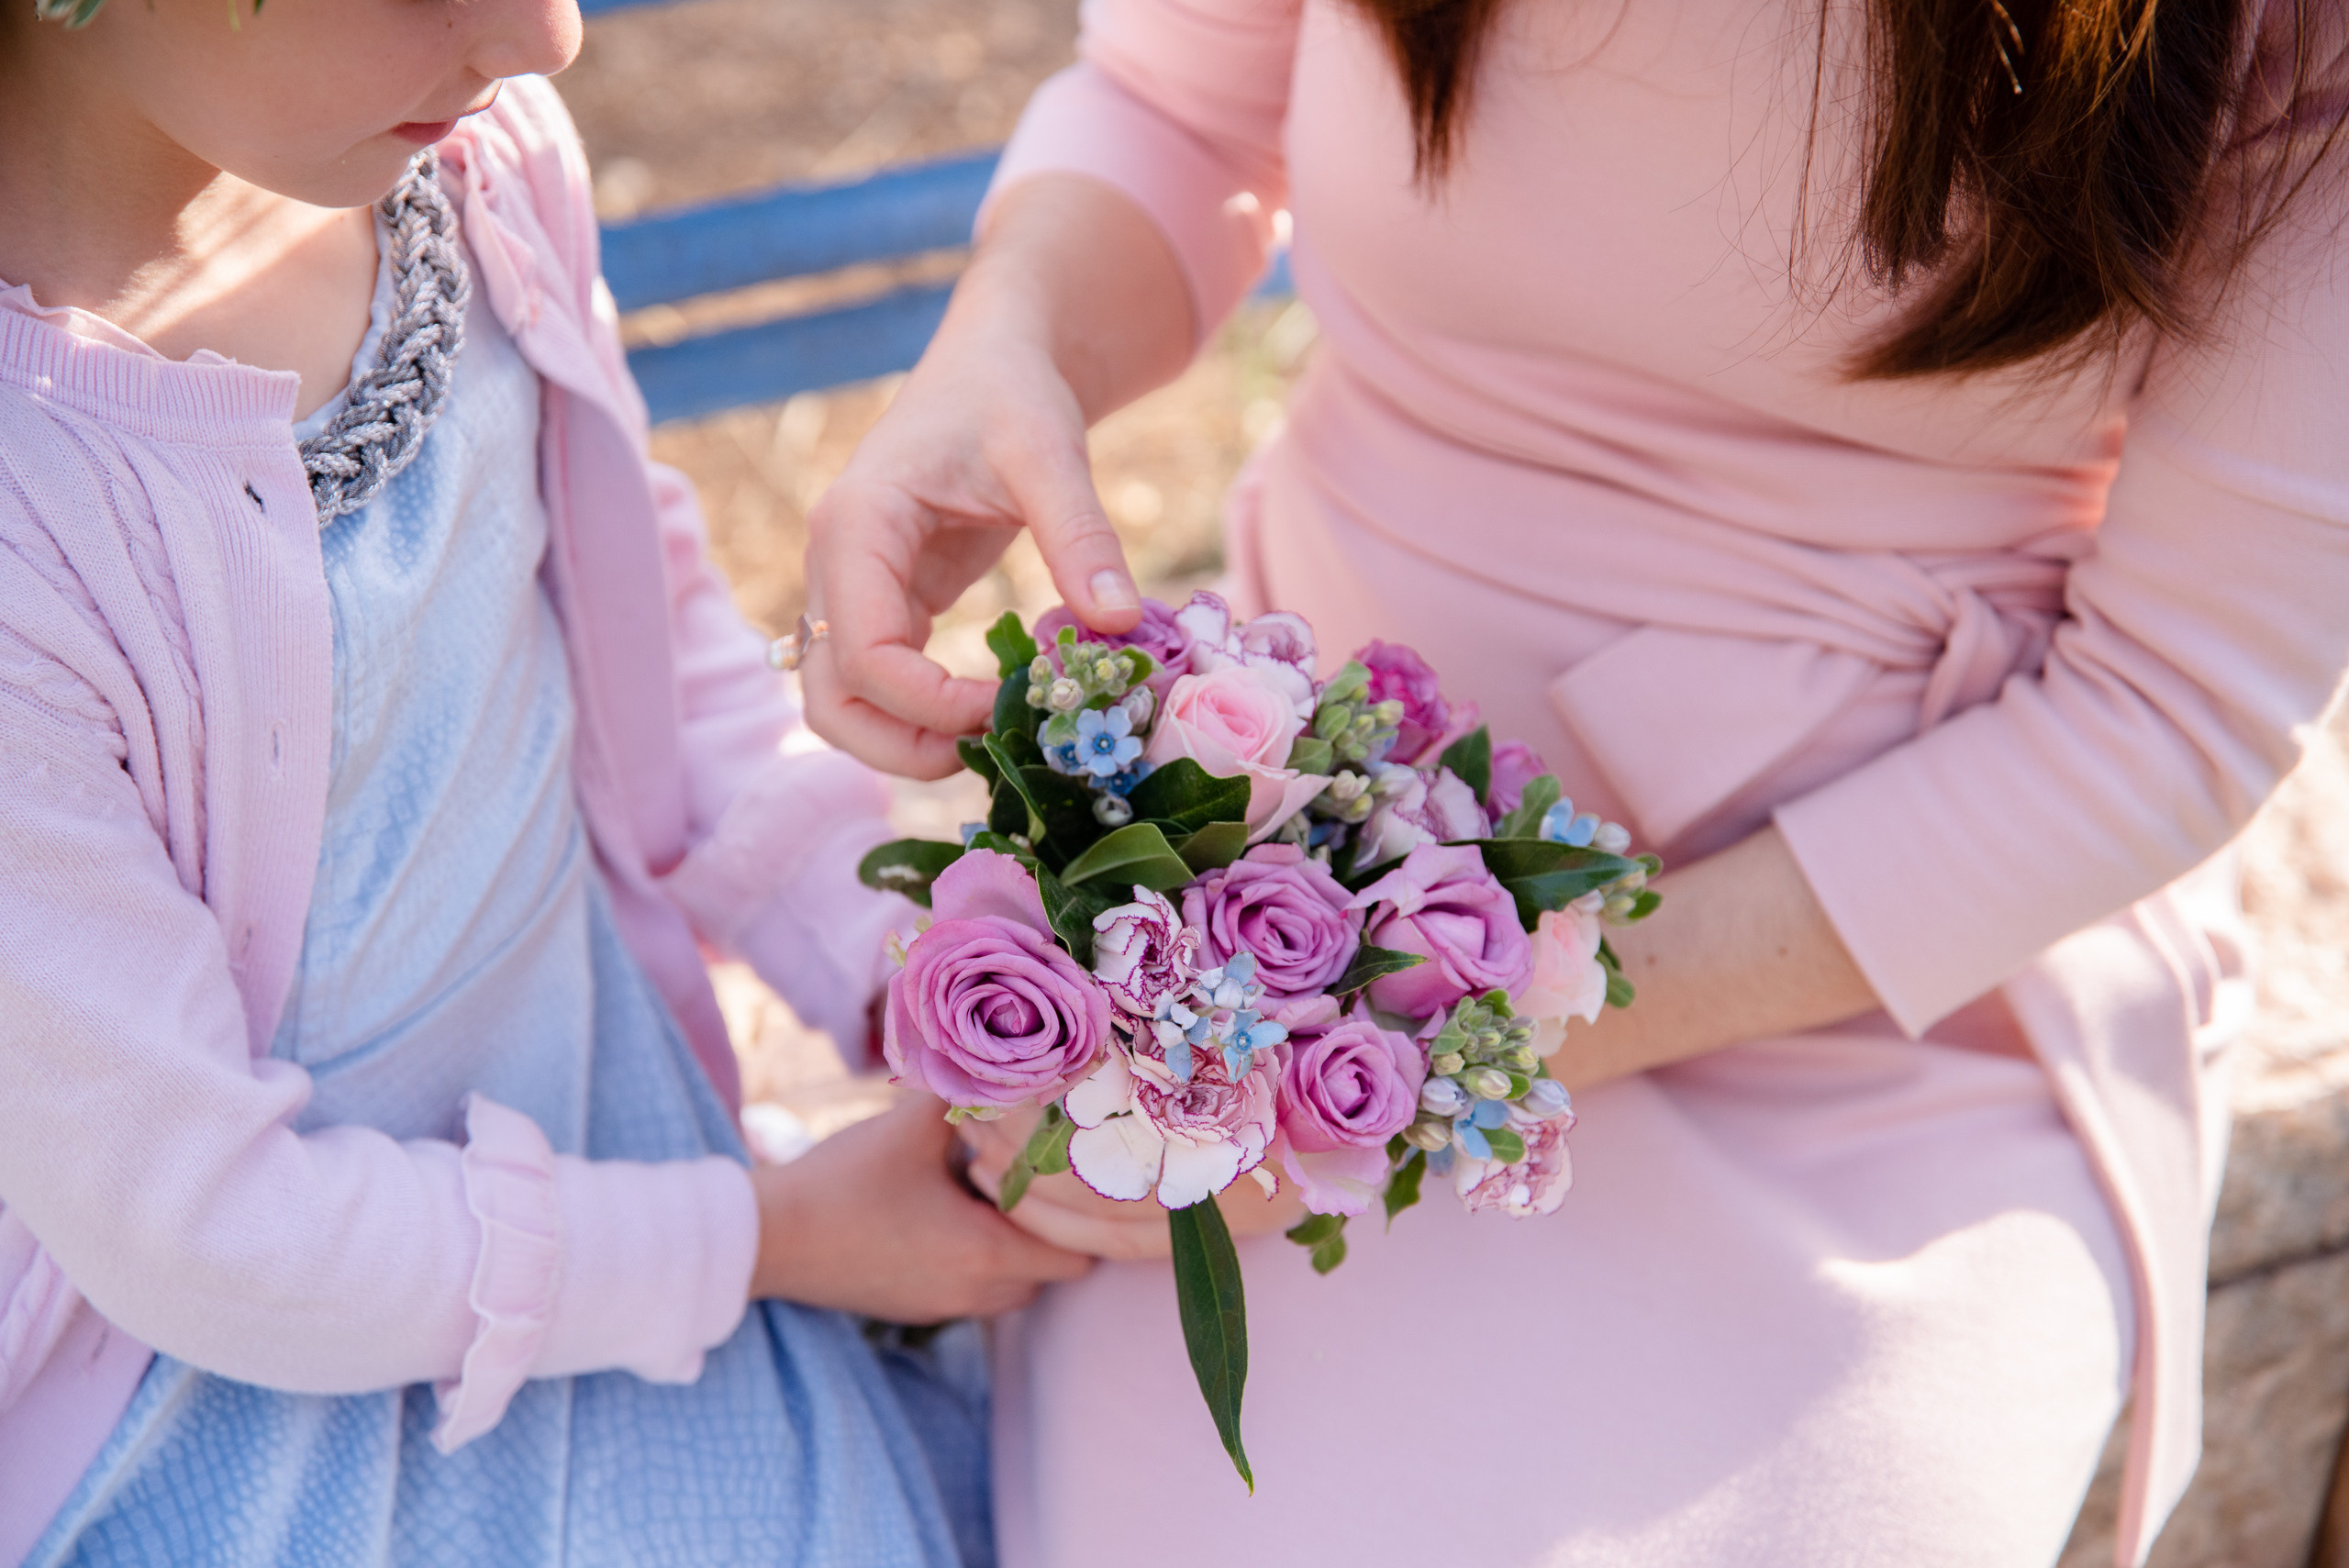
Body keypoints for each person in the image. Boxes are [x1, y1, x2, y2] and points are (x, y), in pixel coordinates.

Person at [798, 0, 2349, 1559]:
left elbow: (2168, 707)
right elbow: (1173, 112)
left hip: (1874, 963)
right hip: (1300, 861)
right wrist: (1006, 342)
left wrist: (1429, 1055)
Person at [0, 3, 1092, 1564]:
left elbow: (630, 617)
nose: (550, 36)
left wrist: (907, 976)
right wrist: (769, 1241)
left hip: (610, 1136)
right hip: (241, 1388)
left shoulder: (475, 163)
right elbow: (206, 1228)